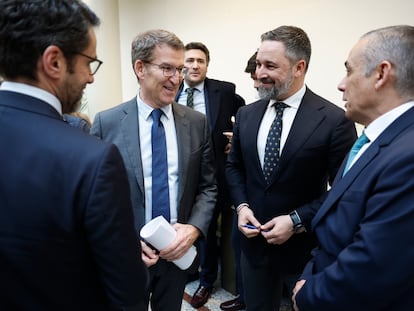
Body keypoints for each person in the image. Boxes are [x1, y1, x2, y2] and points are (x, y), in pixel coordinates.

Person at [0, 1, 148, 310]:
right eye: (89, 63)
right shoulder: (92, 161)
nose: (91, 77)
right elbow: (127, 294)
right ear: (54, 61)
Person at [225, 25, 357, 311]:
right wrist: (242, 206)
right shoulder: (247, 114)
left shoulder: (335, 121)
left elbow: (344, 190)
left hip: (305, 252)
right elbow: (234, 167)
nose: (260, 73)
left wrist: (297, 220)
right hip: (252, 249)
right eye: (259, 64)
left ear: (299, 67)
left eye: (270, 66)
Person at [90, 29, 217, 311]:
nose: (177, 78)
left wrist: (193, 229)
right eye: (167, 68)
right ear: (140, 68)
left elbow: (208, 186)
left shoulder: (197, 123)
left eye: (179, 69)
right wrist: (125, 240)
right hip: (127, 255)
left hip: (176, 255)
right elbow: (96, 197)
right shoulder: (106, 123)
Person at [292, 25, 414, 311]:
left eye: (349, 71)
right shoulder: (374, 139)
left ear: (382, 74)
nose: (341, 84)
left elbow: (376, 263)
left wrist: (309, 295)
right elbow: (336, 225)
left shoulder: (407, 155)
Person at [174, 41, 245, 309]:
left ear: (207, 64)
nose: (194, 66)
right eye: (189, 61)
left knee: (206, 229)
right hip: (180, 175)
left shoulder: (224, 92)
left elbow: (245, 118)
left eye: (199, 61)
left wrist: (235, 140)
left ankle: (205, 282)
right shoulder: (172, 90)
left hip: (214, 174)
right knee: (185, 225)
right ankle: (186, 271)